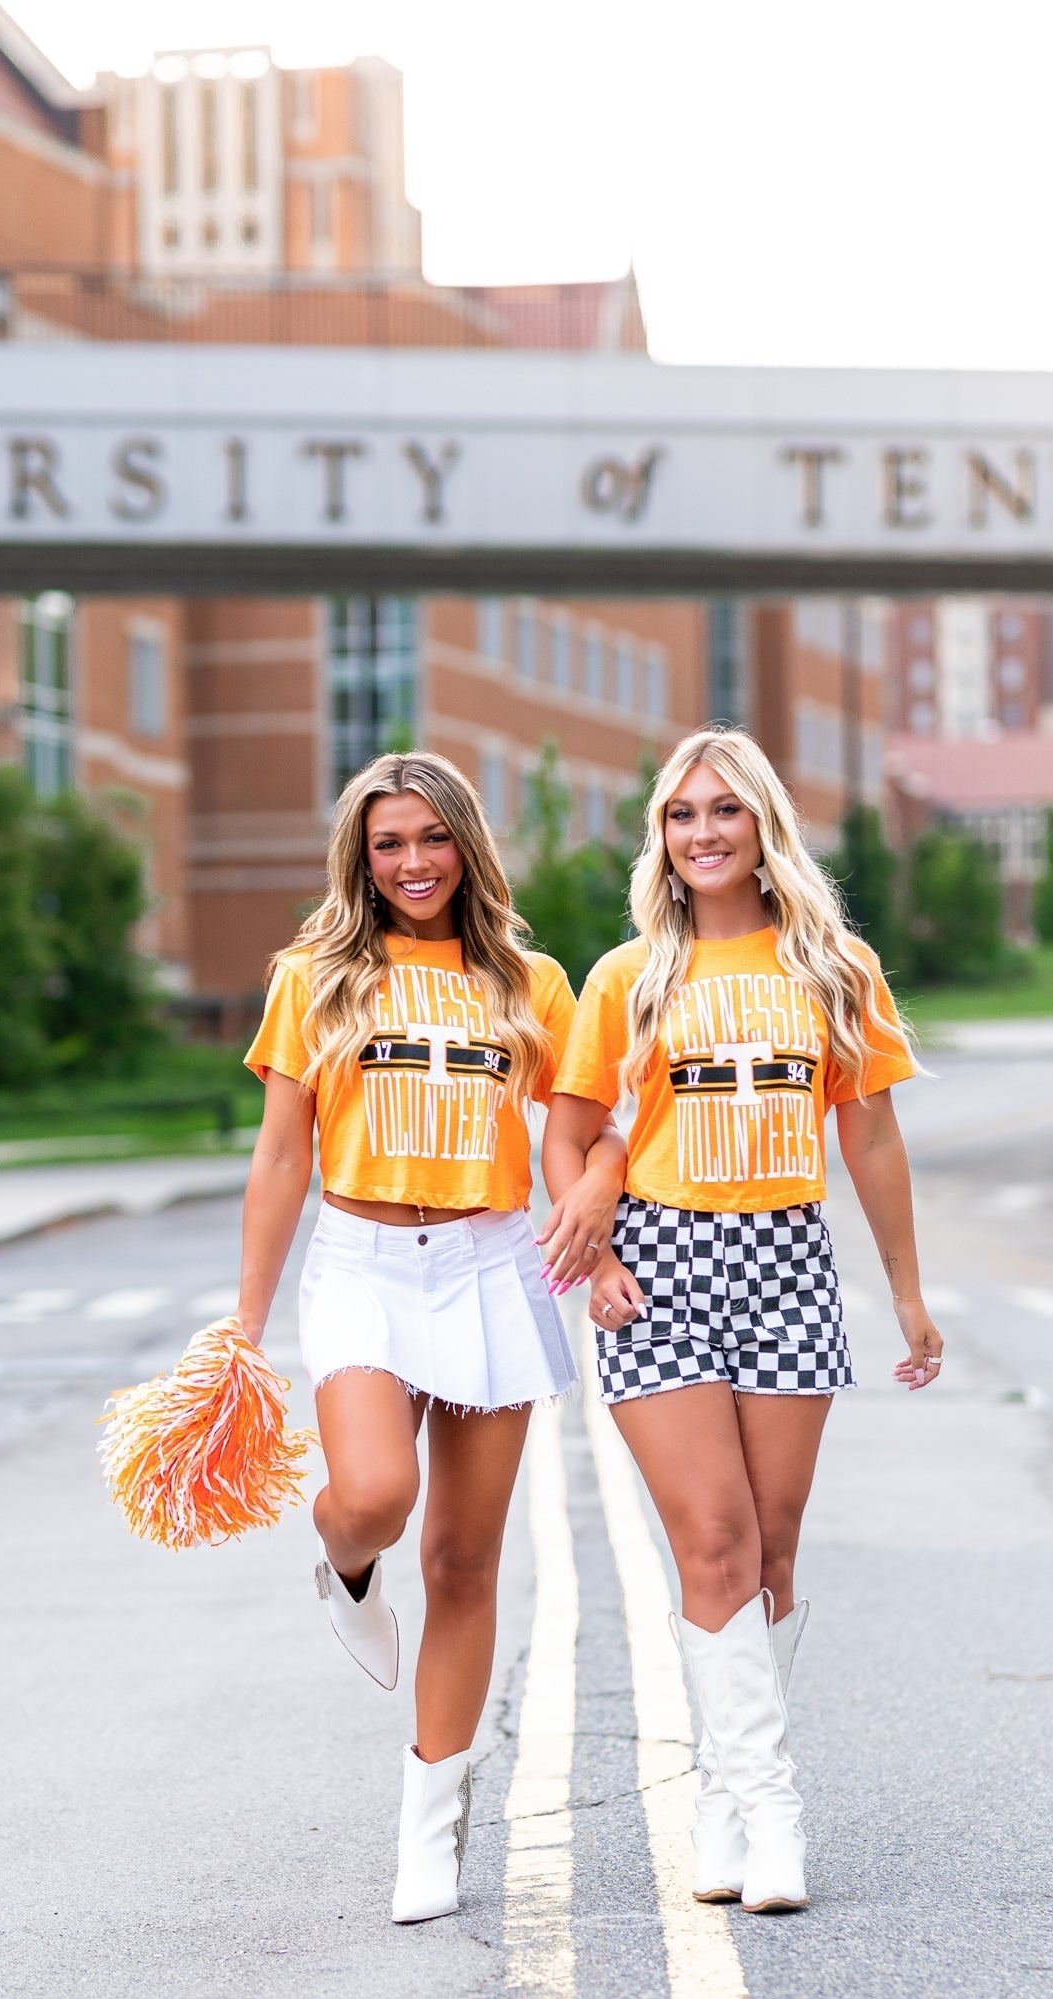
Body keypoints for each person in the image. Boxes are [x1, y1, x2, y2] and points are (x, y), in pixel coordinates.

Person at [542, 727, 943, 1915]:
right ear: (660, 836)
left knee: (770, 1547)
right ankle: (773, 1809)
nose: (704, 831)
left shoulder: (833, 965)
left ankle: (721, 1792)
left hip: (788, 1260)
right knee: (711, 1536)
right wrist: (598, 1255)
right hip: (660, 1264)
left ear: (764, 825)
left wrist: (907, 1293)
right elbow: (568, 1131)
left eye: (725, 809)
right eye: (682, 813)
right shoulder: (628, 977)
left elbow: (872, 1135)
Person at [238, 751, 624, 1926]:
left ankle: (431, 1823)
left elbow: (600, 1123)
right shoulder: (316, 974)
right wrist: (244, 1326)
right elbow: (283, 1154)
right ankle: (346, 1563)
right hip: (360, 1261)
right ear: (361, 856)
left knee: (463, 1560)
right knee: (373, 1494)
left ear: (467, 842)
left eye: (433, 836)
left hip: (491, 1261)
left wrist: (600, 1182)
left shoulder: (529, 981)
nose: (413, 861)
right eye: (389, 842)